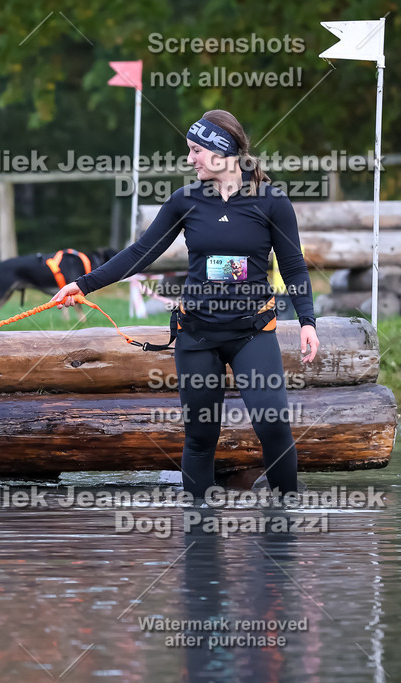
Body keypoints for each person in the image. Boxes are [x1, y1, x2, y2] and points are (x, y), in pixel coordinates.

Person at [52, 110, 319, 500]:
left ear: (221, 150)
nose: (190, 158)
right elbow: (141, 253)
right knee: (200, 435)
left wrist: (307, 320)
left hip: (252, 333)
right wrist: (83, 284)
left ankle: (285, 516)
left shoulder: (271, 202)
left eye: (196, 150)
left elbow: (293, 265)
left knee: (274, 424)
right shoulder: (186, 200)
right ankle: (199, 523)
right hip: (197, 335)